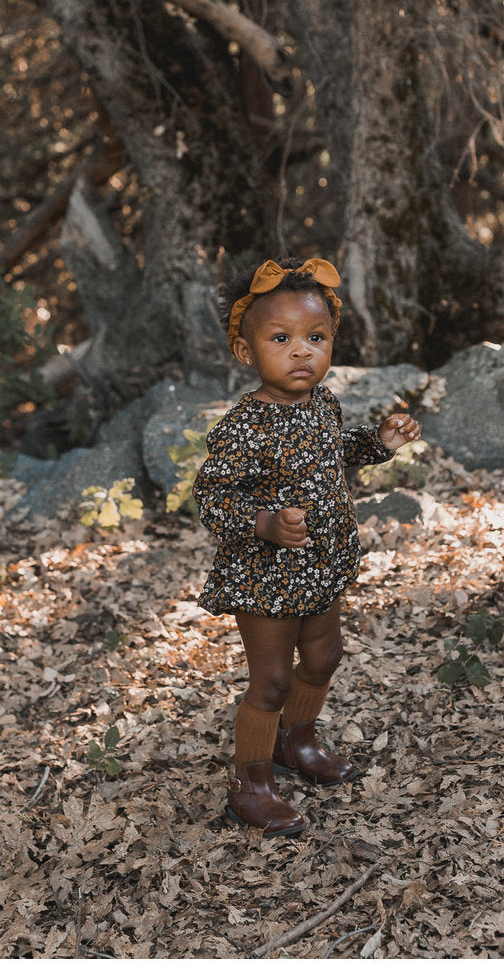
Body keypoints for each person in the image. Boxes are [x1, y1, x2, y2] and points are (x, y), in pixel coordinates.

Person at [192, 256, 421, 838]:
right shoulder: (243, 427)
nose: (302, 352)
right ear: (246, 351)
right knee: (270, 680)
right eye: (281, 339)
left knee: (323, 657)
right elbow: (213, 497)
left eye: (315, 338)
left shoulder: (322, 404)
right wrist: (265, 523)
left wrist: (379, 442)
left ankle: (297, 741)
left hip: (321, 564)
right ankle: (250, 785)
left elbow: (335, 451)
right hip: (267, 575)